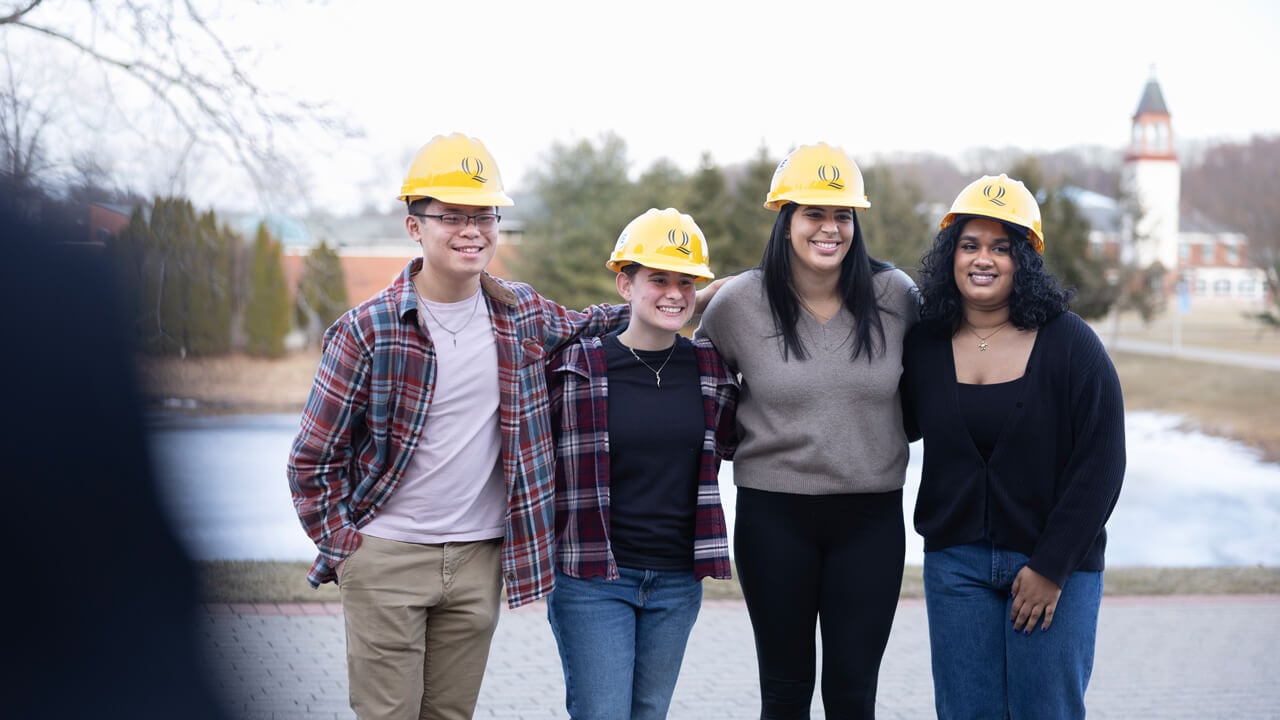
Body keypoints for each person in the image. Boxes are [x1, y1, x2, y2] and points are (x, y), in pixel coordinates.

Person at [286, 133, 638, 720]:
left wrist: (685, 295)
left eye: (483, 216)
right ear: (414, 227)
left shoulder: (520, 313)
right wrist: (350, 550)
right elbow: (311, 461)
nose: (471, 230)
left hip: (477, 561)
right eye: (451, 216)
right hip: (387, 556)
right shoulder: (368, 330)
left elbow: (593, 322)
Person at [696, 142, 919, 718]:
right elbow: (690, 387)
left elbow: (938, 380)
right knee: (787, 691)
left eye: (842, 215)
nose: (829, 229)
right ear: (785, 220)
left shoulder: (897, 298)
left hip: (871, 521)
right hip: (775, 519)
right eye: (813, 214)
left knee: (852, 693)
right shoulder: (738, 303)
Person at [900, 174, 1126, 720]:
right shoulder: (925, 343)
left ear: (1024, 259)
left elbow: (1103, 461)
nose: (984, 259)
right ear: (950, 255)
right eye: (970, 245)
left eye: (1001, 247)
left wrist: (1051, 567)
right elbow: (881, 417)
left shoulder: (1070, 343)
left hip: (1056, 565)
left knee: (1045, 710)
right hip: (956, 566)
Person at [545, 208, 738, 720]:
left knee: (649, 713)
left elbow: (746, 441)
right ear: (625, 284)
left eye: (686, 281)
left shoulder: (711, 370)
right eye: (658, 279)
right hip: (593, 579)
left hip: (677, 581)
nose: (674, 292)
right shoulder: (576, 367)